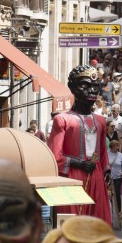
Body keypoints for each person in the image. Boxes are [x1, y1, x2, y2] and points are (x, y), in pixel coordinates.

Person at [49, 65, 112, 226]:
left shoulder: (101, 121)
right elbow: (54, 156)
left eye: (95, 86)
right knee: (70, 225)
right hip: (71, 177)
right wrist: (77, 163)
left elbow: (103, 152)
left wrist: (106, 170)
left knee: (96, 224)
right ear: (73, 88)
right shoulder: (62, 120)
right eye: (85, 86)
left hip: (96, 175)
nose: (91, 90)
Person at [107, 139, 122, 229]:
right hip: (108, 178)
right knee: (109, 195)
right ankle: (109, 214)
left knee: (117, 195)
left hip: (118, 177)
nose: (118, 148)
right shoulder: (107, 153)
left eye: (118, 146)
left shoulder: (120, 155)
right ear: (112, 147)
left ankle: (119, 211)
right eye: (116, 146)